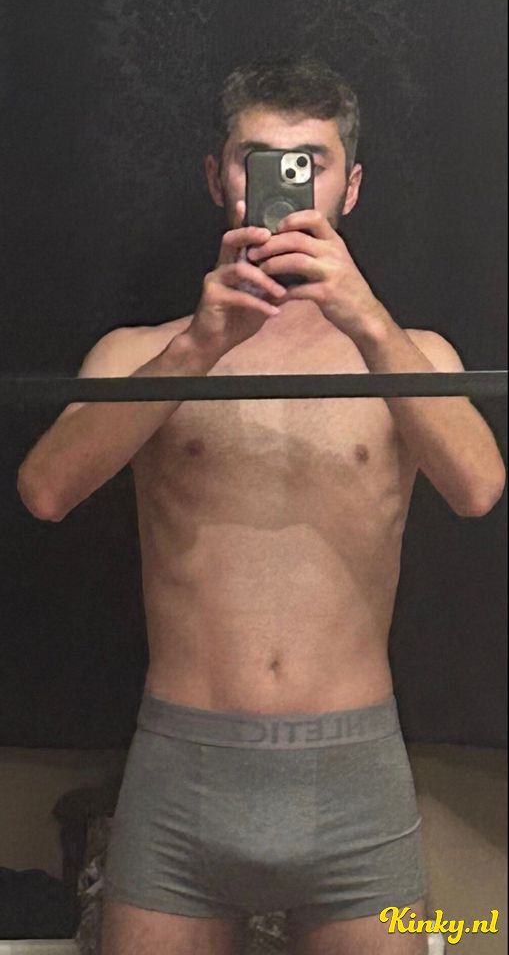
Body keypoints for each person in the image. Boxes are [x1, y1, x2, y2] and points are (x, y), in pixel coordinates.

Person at [17, 56, 506, 955]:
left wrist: (365, 320)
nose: (286, 185)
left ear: (350, 188)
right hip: (181, 774)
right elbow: (44, 493)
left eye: (310, 163)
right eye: (260, 160)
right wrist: (198, 347)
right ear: (218, 178)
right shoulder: (140, 354)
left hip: (357, 778)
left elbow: (477, 490)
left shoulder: (413, 355)